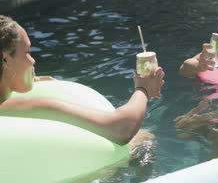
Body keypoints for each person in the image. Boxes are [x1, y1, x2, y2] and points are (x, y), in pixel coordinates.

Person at [0, 15, 165, 146]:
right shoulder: (26, 106)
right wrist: (143, 89)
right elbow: (121, 129)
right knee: (144, 138)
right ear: (5, 60)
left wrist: (30, 80)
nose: (32, 61)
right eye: (27, 52)